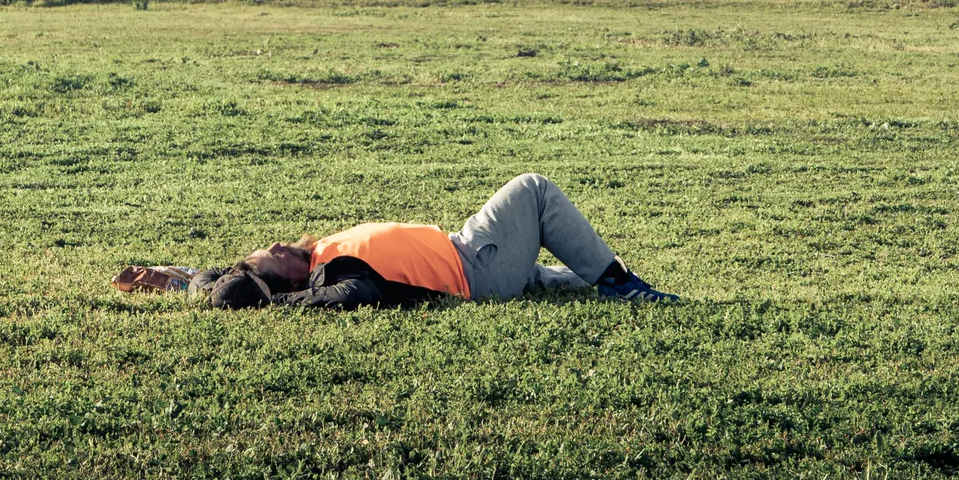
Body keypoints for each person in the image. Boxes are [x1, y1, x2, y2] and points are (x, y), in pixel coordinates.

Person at [192, 173, 679, 311]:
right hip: (474, 267)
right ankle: (619, 283)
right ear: (286, 282)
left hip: (464, 255)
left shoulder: (320, 257)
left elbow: (219, 280)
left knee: (553, 277)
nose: (280, 246)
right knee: (533, 190)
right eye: (275, 257)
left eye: (273, 246)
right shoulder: (330, 277)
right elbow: (356, 295)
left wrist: (187, 279)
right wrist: (274, 302)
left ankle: (592, 279)